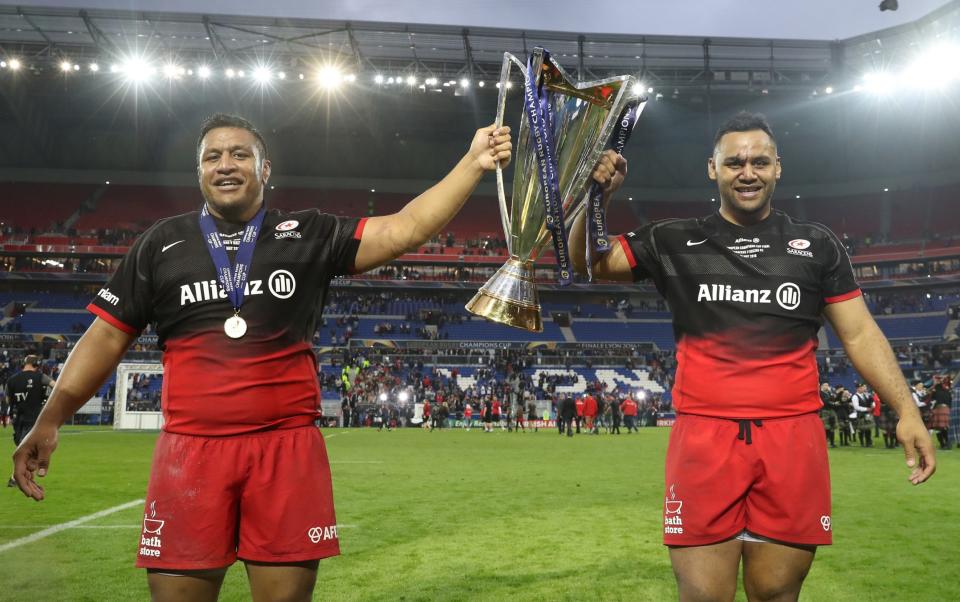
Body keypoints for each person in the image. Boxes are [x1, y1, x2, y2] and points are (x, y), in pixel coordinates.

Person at [12, 113, 511, 601]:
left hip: (285, 452)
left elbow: (405, 228)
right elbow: (104, 339)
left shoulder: (308, 232)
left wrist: (472, 162)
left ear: (264, 169)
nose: (225, 164)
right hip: (191, 453)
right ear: (199, 171)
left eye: (239, 154)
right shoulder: (161, 244)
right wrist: (50, 419)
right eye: (212, 156)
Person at [570, 111, 935, 601]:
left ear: (778, 168)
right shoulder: (672, 239)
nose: (748, 172)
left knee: (777, 593)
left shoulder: (817, 246)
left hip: (791, 438)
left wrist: (907, 410)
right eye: (735, 162)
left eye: (760, 161)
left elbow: (861, 334)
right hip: (704, 437)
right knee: (702, 596)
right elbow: (585, 262)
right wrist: (600, 195)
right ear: (712, 169)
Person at [6, 355, 55, 487]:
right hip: (34, 419)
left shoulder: (11, 380)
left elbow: (8, 400)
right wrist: (46, 398)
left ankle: (17, 478)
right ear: (37, 364)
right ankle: (16, 478)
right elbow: (55, 387)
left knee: (23, 448)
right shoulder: (40, 377)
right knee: (29, 450)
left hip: (17, 420)